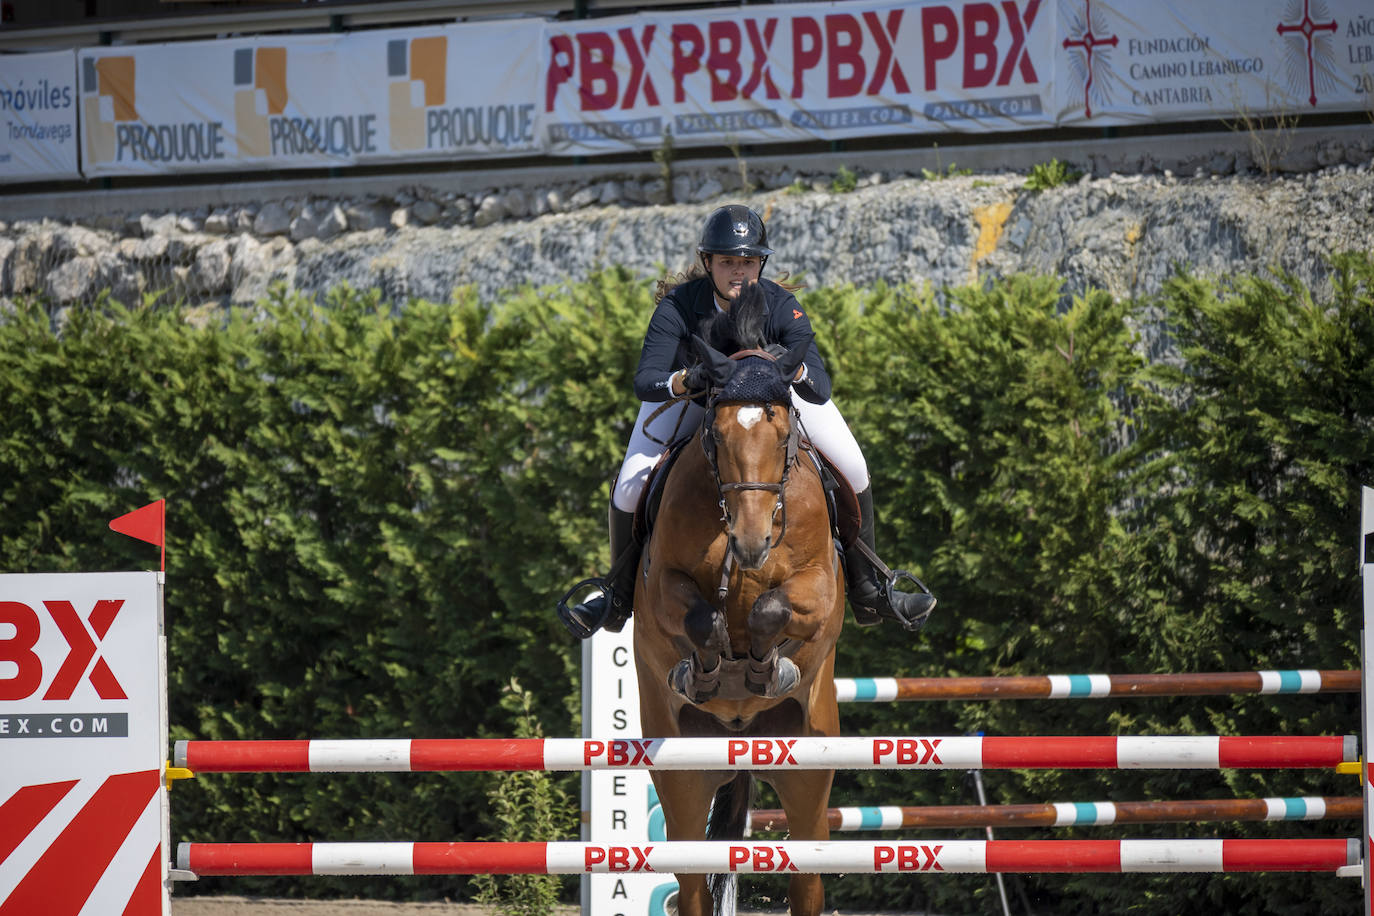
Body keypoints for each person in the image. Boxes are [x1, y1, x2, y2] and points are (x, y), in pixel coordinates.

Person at [557, 203, 934, 639]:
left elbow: (821, 387)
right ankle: (618, 595)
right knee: (629, 486)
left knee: (853, 466)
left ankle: (870, 589)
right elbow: (645, 381)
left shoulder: (781, 305)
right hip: (696, 401)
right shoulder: (679, 307)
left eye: (748, 262)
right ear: (708, 264)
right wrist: (684, 380)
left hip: (769, 402)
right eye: (727, 262)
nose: (739, 271)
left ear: (761, 263)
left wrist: (792, 370)